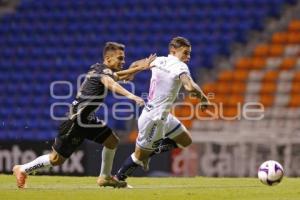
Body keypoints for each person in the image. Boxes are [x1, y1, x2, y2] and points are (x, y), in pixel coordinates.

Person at [12, 42, 156, 189]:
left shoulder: (99, 69)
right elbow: (111, 83)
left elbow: (116, 76)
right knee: (56, 159)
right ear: (108, 58)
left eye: (123, 58)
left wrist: (139, 68)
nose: (123, 61)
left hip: (87, 119)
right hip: (75, 121)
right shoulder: (103, 73)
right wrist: (132, 96)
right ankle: (22, 169)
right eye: (120, 58)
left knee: (112, 141)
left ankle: (105, 178)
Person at [115, 36, 209, 183]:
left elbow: (136, 63)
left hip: (163, 116)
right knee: (139, 156)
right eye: (185, 53)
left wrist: (131, 73)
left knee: (186, 141)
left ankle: (151, 152)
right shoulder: (180, 67)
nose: (188, 57)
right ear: (173, 50)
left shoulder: (157, 60)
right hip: (154, 119)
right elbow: (190, 87)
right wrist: (203, 98)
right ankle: (117, 179)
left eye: (189, 53)